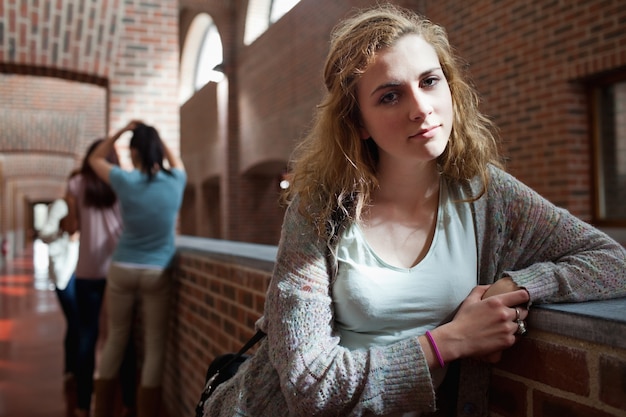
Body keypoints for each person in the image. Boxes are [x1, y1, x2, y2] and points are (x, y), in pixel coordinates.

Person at [201, 4, 626, 417]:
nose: (421, 108)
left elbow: (612, 262)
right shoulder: (319, 210)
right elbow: (311, 390)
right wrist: (450, 342)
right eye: (390, 96)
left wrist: (518, 284)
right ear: (359, 123)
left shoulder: (485, 194)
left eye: (429, 81)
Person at [89, 120, 186, 417]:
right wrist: (156, 136)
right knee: (155, 347)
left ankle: (101, 411)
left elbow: (93, 159)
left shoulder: (125, 181)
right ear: (157, 150)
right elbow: (175, 160)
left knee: (115, 339)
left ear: (134, 153)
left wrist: (119, 132)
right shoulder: (176, 180)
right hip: (157, 271)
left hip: (122, 268)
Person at [65, 140, 138, 417]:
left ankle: (84, 405)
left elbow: (72, 227)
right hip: (119, 269)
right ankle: (130, 403)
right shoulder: (123, 182)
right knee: (123, 336)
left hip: (87, 270)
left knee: (88, 336)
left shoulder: (77, 183)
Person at [39, 196, 80, 417]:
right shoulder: (61, 206)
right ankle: (71, 370)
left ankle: (74, 369)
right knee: (74, 322)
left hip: (77, 270)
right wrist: (67, 238)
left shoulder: (87, 204)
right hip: (64, 272)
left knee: (76, 323)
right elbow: (45, 234)